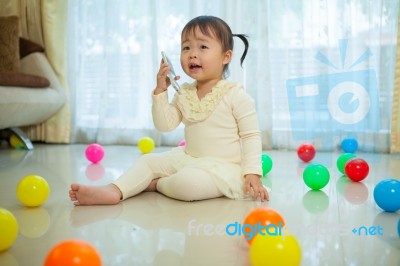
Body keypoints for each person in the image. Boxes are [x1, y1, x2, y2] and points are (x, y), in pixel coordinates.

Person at [69, 15, 269, 205]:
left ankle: (156, 185)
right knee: (147, 161)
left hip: (222, 168)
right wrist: (161, 91)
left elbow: (251, 136)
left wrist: (252, 173)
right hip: (188, 158)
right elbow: (165, 125)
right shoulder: (184, 93)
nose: (192, 53)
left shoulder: (236, 95)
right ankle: (115, 190)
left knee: (189, 184)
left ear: (226, 57)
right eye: (186, 47)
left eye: (203, 47)